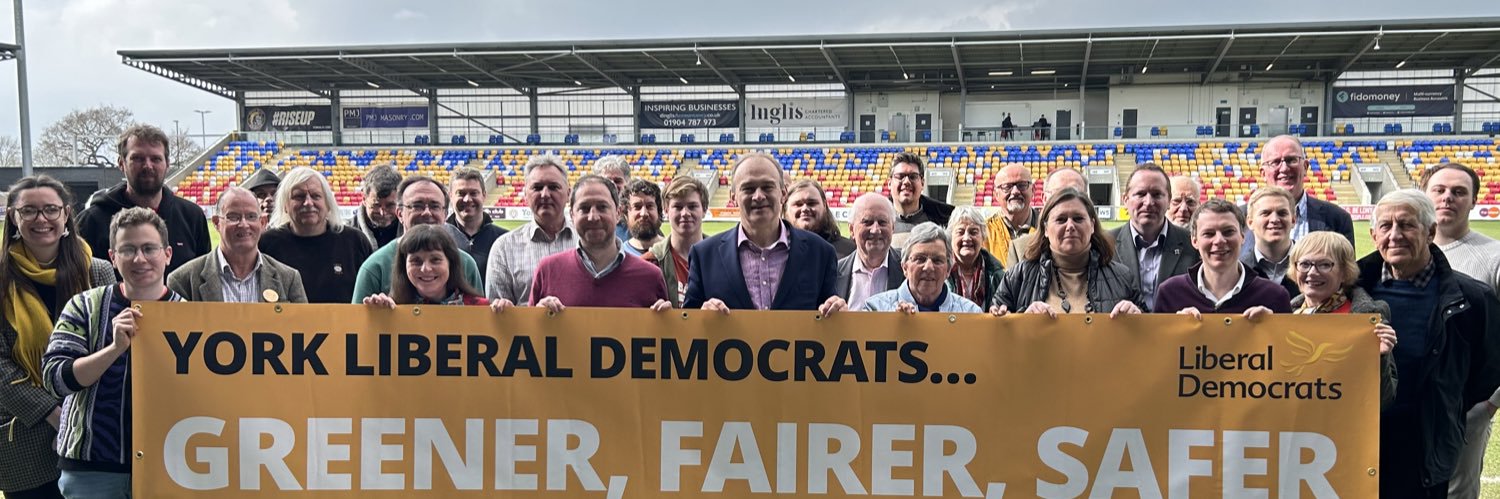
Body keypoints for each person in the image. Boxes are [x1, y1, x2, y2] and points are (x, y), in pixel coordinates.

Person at [1356, 189, 1500, 497]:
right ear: (1373, 235)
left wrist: (1447, 403)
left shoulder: (1473, 298)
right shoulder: (1352, 288)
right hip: (1357, 440)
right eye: (1386, 226)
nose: (1395, 235)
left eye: (1407, 225)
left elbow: (1486, 371)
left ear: (1431, 232)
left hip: (1425, 445)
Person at [43, 208, 186, 497]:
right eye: (128, 250)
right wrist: (114, 349)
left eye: (149, 248)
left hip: (169, 465)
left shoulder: (190, 315)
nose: (139, 259)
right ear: (113, 257)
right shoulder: (84, 306)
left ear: (168, 254)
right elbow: (55, 379)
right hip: (93, 467)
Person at [0, 176, 115, 499]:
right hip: (25, 433)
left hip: (92, 431)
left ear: (66, 214)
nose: (41, 219)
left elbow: (110, 349)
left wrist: (74, 416)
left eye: (50, 209)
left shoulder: (98, 272)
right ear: (14, 217)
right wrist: (53, 413)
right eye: (29, 211)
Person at [1419, 163, 1500, 499]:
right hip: (1408, 403)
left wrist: (1490, 404)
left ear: (1474, 201)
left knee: (1456, 493)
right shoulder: (1401, 252)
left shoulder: (1493, 256)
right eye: (1439, 190)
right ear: (1423, 196)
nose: (1447, 198)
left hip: (1466, 408)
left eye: (1459, 191)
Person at [683, 152, 844, 314]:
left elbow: (831, 319)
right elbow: (687, 319)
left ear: (783, 194)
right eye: (748, 188)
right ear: (734, 197)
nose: (758, 196)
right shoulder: (704, 256)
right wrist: (700, 315)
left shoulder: (820, 253)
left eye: (767, 187)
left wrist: (838, 312)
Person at [77, 124, 211, 275]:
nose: (148, 166)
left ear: (167, 164)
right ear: (121, 163)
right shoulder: (92, 221)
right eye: (138, 158)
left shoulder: (192, 216)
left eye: (156, 159)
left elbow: (203, 279)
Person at [1285, 232, 1398, 409]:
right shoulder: (1284, 317)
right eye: (1305, 264)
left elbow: (1384, 400)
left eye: (1324, 264)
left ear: (1345, 272)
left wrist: (1379, 358)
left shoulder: (1366, 319)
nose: (1312, 272)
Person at [992, 188, 1142, 317]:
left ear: (1092, 225)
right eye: (1061, 219)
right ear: (1045, 229)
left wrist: (1137, 318)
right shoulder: (1018, 277)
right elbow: (996, 332)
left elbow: (1147, 332)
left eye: (1078, 219)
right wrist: (1021, 320)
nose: (1070, 226)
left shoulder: (1122, 277)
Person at [529, 175, 670, 311]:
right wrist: (538, 317)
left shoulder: (651, 277)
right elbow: (529, 326)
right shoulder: (547, 271)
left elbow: (663, 327)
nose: (593, 217)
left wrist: (665, 320)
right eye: (584, 208)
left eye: (602, 207)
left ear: (618, 213)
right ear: (572, 215)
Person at [351, 175, 483, 302]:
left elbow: (478, 314)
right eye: (417, 206)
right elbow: (357, 318)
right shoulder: (375, 267)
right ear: (400, 214)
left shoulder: (466, 264)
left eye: (434, 206)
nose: (427, 213)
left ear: (445, 214)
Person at [167, 187, 307, 303]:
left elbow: (303, 327)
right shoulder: (183, 281)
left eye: (251, 216)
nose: (243, 224)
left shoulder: (289, 279)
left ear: (262, 223)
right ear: (216, 223)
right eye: (233, 217)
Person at [1155, 199, 1293, 315]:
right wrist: (1174, 330)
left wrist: (1272, 329)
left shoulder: (1274, 296)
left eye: (1228, 232)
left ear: (1242, 236)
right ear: (1194, 241)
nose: (1219, 240)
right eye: (1209, 234)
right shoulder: (1170, 293)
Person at [258, 167, 375, 303]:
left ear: (328, 203)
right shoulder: (267, 244)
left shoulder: (355, 242)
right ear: (285, 205)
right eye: (299, 196)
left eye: (316, 196)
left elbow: (372, 294)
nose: (308, 203)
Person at [486, 155, 577, 305]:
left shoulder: (585, 242)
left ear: (568, 193)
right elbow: (498, 313)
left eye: (553, 187)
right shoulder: (503, 248)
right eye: (537, 187)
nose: (545, 194)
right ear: (525, 195)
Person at [1110, 163, 1198, 311]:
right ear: (1125, 200)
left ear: (1169, 200)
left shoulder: (1193, 244)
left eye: (1157, 194)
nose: (1149, 202)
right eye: (1140, 194)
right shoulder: (1105, 244)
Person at [360, 225, 511, 310]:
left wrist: (506, 318)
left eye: (435, 260)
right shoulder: (389, 309)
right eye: (416, 261)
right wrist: (375, 317)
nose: (426, 269)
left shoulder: (481, 309)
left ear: (450, 262)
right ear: (404, 266)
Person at [1252, 134, 1355, 249]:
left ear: (1305, 167)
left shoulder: (1338, 219)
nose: (1284, 168)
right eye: (1275, 162)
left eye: (1291, 160)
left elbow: (1346, 261)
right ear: (1263, 173)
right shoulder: (1241, 219)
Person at [864, 222, 982, 313]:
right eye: (920, 259)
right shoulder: (875, 310)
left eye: (937, 260)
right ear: (905, 267)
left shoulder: (970, 314)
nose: (929, 267)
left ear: (948, 270)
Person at [644, 176, 708, 308]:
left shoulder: (724, 259)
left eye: (692, 206)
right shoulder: (650, 263)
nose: (685, 213)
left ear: (704, 210)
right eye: (678, 207)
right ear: (666, 211)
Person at [835, 193, 903, 310]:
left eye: (882, 222)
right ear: (851, 229)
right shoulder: (833, 273)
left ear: (893, 228)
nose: (875, 230)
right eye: (867, 222)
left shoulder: (909, 269)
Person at [1007, 167, 1088, 265]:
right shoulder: (1020, 249)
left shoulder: (1105, 249)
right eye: (1059, 192)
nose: (1067, 198)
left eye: (1075, 191)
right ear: (1044, 199)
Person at [1241, 186, 1301, 298]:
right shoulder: (1238, 271)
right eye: (1266, 213)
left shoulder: (1312, 267)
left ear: (1293, 220)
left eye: (1282, 213)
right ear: (1250, 222)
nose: (1274, 219)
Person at [446, 167, 507, 277]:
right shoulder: (438, 238)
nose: (467, 199)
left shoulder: (503, 239)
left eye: (473, 193)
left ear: (484, 195)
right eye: (461, 193)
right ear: (451, 196)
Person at [947, 206, 1005, 310]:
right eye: (960, 232)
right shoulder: (940, 272)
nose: (967, 238)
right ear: (951, 237)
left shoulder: (997, 275)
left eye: (973, 232)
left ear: (983, 237)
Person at [784, 179, 855, 258]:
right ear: (786, 209)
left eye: (811, 203)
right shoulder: (777, 251)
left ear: (824, 206)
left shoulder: (849, 252)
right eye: (798, 204)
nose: (805, 208)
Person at [984, 163, 1037, 267]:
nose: (1015, 192)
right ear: (996, 194)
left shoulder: (1048, 229)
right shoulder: (985, 232)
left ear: (1033, 190)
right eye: (1007, 187)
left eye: (1022, 185)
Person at [888, 152, 954, 233]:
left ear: (922, 183)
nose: (906, 182)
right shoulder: (876, 221)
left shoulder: (946, 223)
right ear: (889, 183)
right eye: (900, 176)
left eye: (913, 177)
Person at [354, 164, 403, 249]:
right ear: (364, 199)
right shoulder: (346, 235)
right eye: (376, 205)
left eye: (390, 205)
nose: (382, 213)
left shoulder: (413, 231)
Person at [592, 155, 632, 242]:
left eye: (617, 181)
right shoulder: (588, 217)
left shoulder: (637, 217)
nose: (613, 185)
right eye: (607, 181)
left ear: (627, 183)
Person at [620, 178, 664, 257]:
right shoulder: (621, 256)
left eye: (649, 206)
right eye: (637, 207)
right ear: (626, 214)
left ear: (659, 211)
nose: (644, 213)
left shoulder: (673, 251)